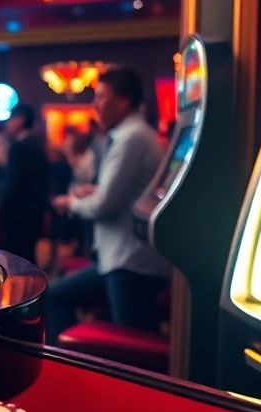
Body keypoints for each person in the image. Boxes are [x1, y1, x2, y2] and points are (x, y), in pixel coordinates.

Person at [50, 67, 171, 336]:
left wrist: (70, 203)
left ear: (124, 100)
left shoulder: (131, 137)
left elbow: (102, 206)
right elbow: (127, 193)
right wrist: (95, 191)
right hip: (122, 259)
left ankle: (75, 361)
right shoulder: (135, 134)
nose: (95, 105)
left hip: (130, 262)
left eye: (101, 97)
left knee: (134, 348)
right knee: (55, 296)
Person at [0, 104, 50, 263]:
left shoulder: (20, 147)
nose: (7, 124)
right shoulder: (36, 144)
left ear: (20, 120)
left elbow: (13, 184)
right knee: (28, 259)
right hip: (34, 215)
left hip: (19, 216)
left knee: (17, 262)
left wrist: (1, 211)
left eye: (10, 119)